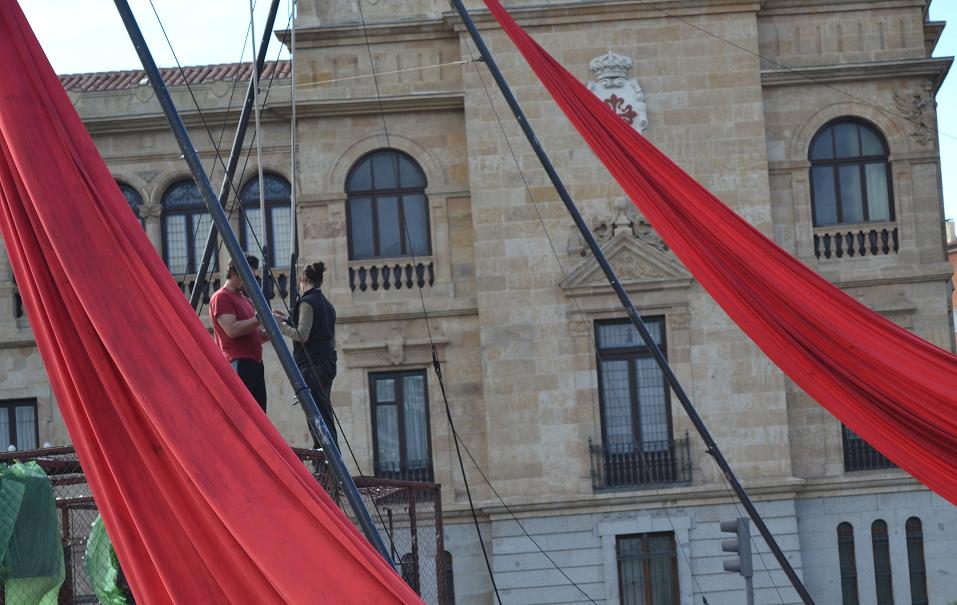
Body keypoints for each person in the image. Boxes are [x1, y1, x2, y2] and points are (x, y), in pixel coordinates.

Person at [274, 262, 338, 447]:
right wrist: (287, 319)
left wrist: (281, 326)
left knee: (316, 414)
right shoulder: (327, 305)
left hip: (313, 367)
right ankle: (327, 452)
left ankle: (323, 452)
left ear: (302, 280)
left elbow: (302, 334)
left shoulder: (307, 302)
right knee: (324, 411)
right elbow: (321, 332)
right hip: (327, 363)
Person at [209, 254, 268, 411]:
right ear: (233, 273)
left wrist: (275, 325)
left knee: (259, 415)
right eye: (247, 275)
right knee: (243, 414)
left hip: (255, 363)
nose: (251, 280)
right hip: (238, 361)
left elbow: (255, 333)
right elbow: (232, 330)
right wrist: (261, 318)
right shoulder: (221, 297)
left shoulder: (245, 300)